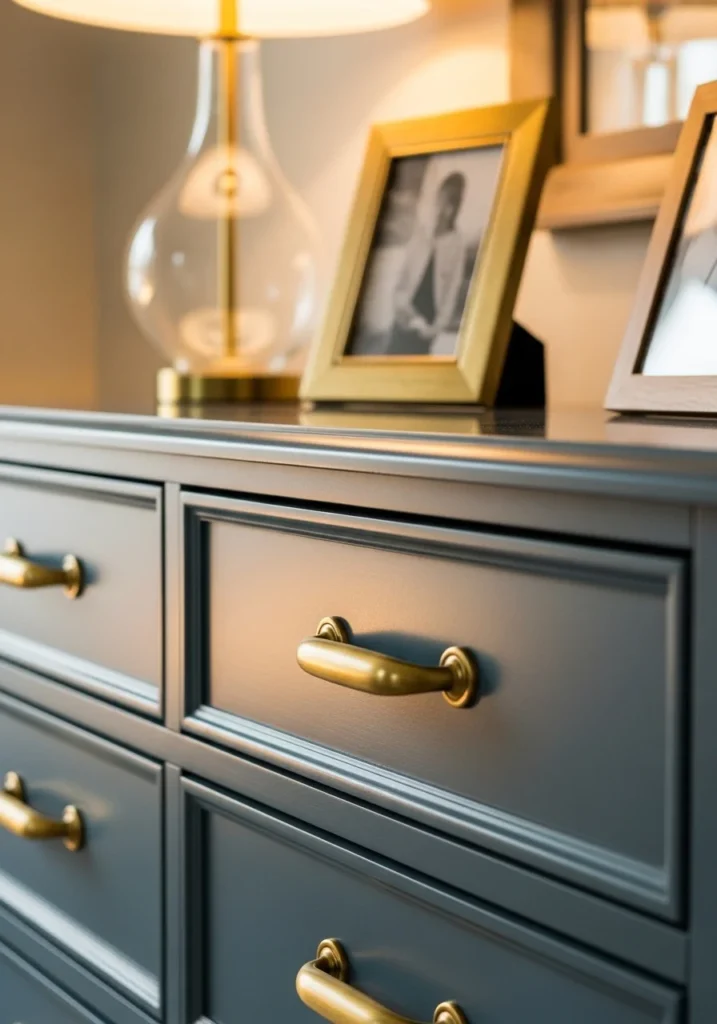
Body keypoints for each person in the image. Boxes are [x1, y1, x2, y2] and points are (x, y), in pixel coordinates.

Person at [388, 171, 467, 355]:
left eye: (451, 203)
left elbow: (451, 293)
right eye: (442, 199)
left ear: (456, 207)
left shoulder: (457, 244)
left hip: (428, 323)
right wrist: (400, 308)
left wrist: (436, 328)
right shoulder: (421, 232)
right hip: (404, 314)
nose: (444, 208)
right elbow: (403, 276)